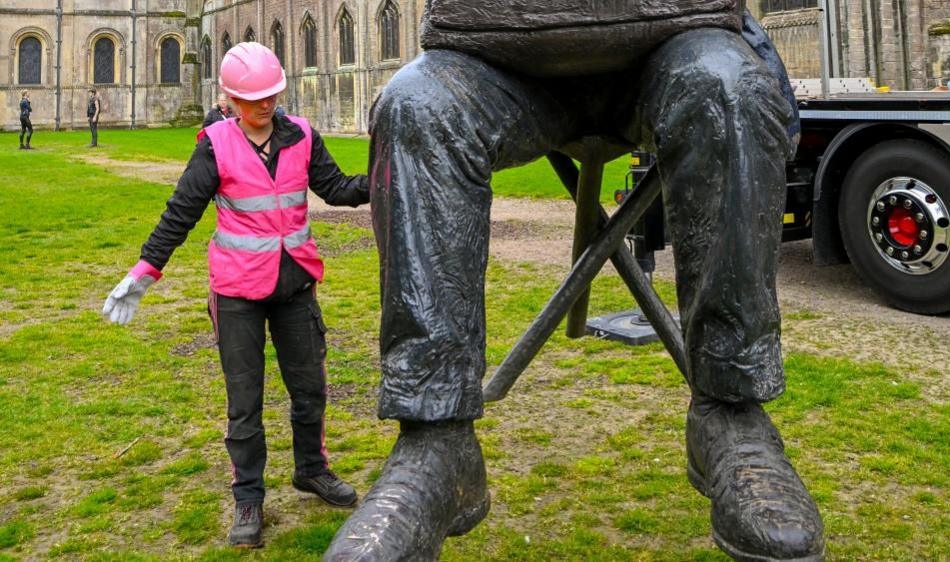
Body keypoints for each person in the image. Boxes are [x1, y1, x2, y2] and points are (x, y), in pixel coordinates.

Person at [324, 5, 823, 562]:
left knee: (731, 87)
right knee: (415, 104)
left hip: (667, 54)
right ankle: (435, 442)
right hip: (510, 67)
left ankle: (732, 416)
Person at [101, 42, 369, 549]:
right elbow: (180, 212)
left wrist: (383, 177)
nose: (266, 105)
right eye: (254, 98)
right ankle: (248, 496)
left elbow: (335, 188)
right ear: (230, 99)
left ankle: (312, 469)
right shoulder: (214, 143)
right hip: (237, 293)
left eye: (272, 94)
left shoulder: (303, 136)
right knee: (244, 404)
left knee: (310, 388)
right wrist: (145, 271)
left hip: (294, 286)